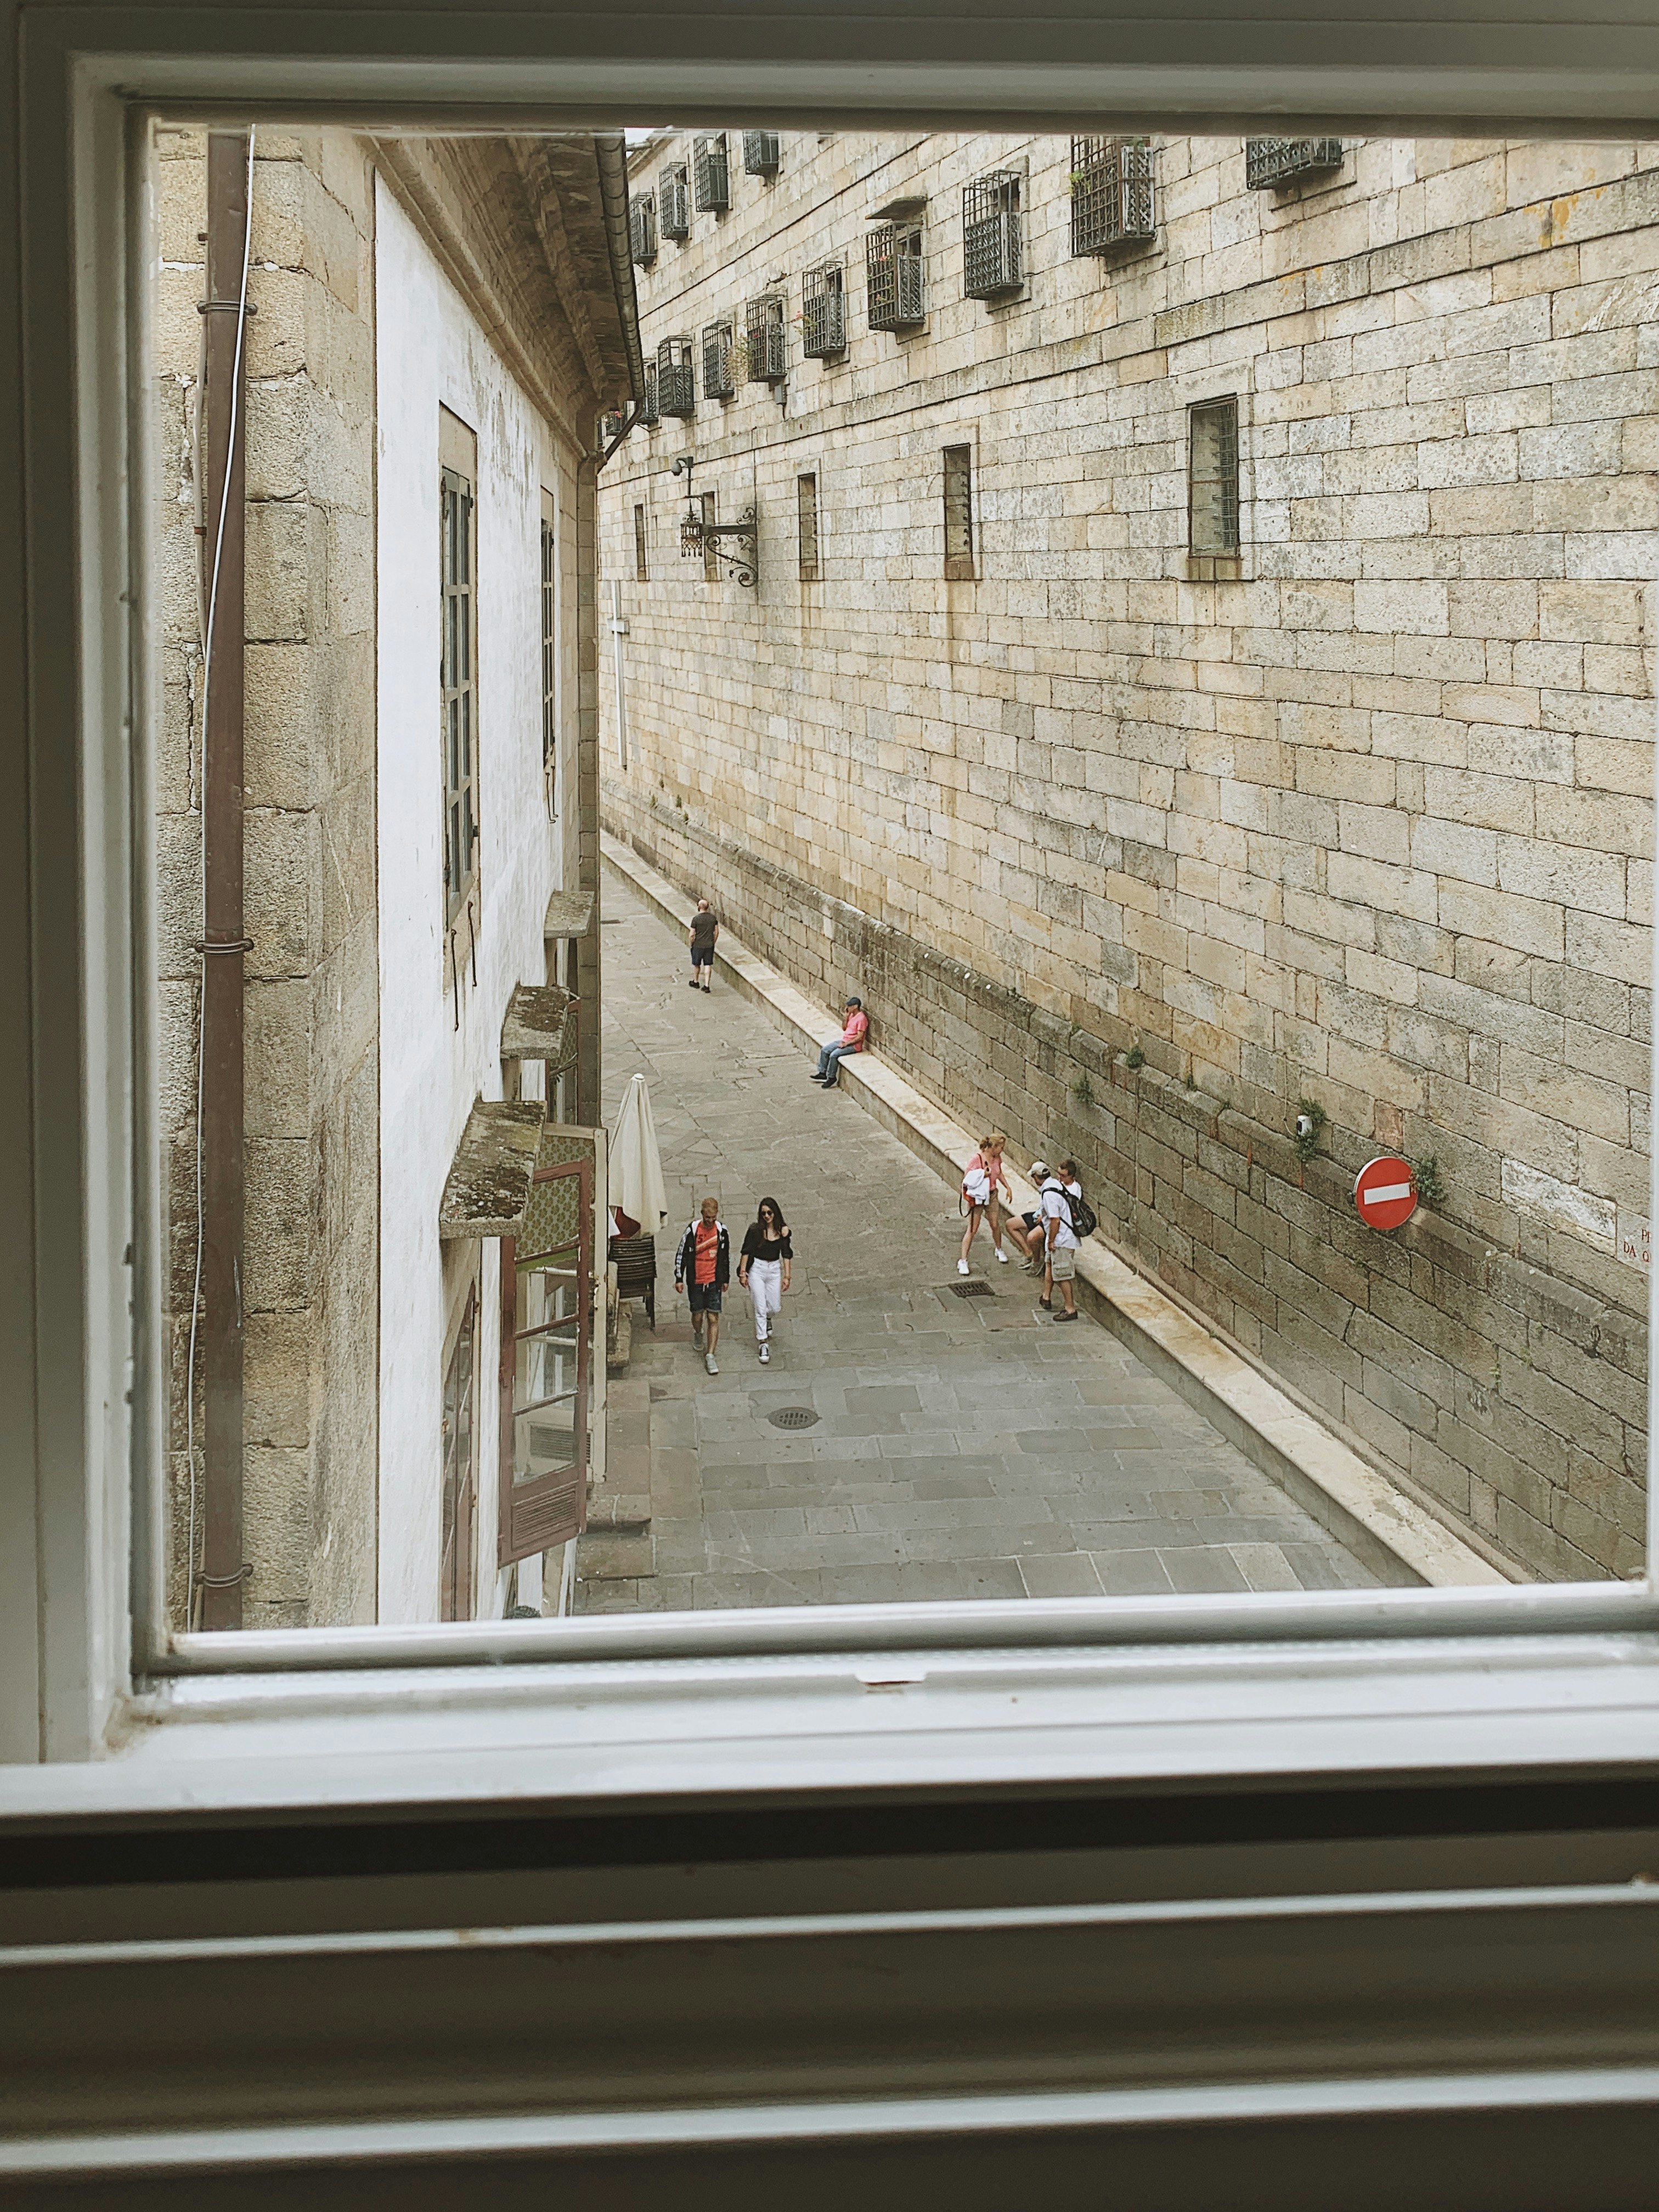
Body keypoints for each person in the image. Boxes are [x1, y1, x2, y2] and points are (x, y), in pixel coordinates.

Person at [673, 1195, 729, 1373]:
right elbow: (681, 1253)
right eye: (707, 1218)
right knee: (697, 1316)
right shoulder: (692, 1230)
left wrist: (725, 1279)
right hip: (696, 1281)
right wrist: (679, 1277)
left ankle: (710, 1355)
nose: (711, 1221)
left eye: (713, 1218)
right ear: (702, 1214)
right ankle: (698, 1333)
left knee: (713, 1317)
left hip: (713, 1281)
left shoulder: (722, 1231)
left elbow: (725, 1257)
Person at [737, 1195, 793, 1364]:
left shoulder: (782, 1232)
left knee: (774, 1306)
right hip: (758, 1270)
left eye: (770, 1213)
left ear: (775, 1213)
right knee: (760, 1307)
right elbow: (746, 1251)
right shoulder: (755, 1231)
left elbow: (786, 1253)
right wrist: (742, 1272)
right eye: (764, 1213)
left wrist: (787, 1276)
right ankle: (763, 1342)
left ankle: (768, 1319)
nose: (767, 1216)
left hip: (774, 1269)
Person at [958, 1130, 1013, 1274]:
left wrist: (1007, 1187)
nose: (1002, 1150)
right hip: (979, 1197)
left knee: (995, 1224)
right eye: (1001, 1147)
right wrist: (983, 1173)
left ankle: (999, 1249)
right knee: (973, 1229)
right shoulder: (977, 1159)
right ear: (994, 1146)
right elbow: (967, 1177)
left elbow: (999, 1172)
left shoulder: (997, 1158)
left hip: (992, 1194)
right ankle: (963, 1260)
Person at [1039, 1158, 1083, 1322]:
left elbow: (1056, 1220)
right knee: (1050, 1263)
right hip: (1058, 1237)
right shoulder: (1057, 1188)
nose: (1060, 1178)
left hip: (1062, 1239)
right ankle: (1046, 1297)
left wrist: (1051, 1240)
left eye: (1063, 1175)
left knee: (1063, 1274)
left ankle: (1070, 1309)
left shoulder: (1073, 1190)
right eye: (1058, 1174)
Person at [810, 996, 869, 1088]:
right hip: (844, 1040)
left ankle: (831, 1077)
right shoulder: (851, 1015)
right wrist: (846, 1017)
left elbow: (860, 1037)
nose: (847, 1008)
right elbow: (844, 1028)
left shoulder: (862, 1019)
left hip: (854, 1045)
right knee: (825, 1050)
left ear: (855, 1007)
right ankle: (822, 1072)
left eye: (849, 1006)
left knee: (834, 1055)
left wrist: (846, 1044)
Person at [1003, 1159, 1051, 1272]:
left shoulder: (1050, 1190)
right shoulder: (1045, 1188)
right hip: (1040, 1214)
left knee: (1032, 1237)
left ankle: (1036, 1261)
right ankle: (1028, 1253)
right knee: (1010, 1224)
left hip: (1047, 1220)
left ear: (1036, 1176)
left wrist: (1041, 1217)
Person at [687, 900, 719, 991]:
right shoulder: (713, 918)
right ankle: (706, 985)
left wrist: (691, 943)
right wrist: (713, 942)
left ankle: (696, 981)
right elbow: (717, 932)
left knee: (697, 964)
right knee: (708, 964)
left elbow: (692, 934)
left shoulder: (696, 919)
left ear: (699, 907)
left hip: (698, 945)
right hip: (709, 945)